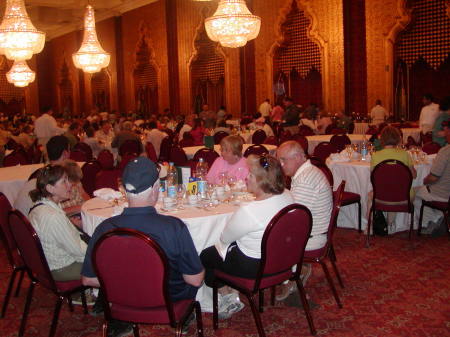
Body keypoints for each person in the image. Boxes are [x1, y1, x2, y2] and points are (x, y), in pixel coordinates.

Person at [81, 157, 204, 334]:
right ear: (155, 189)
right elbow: (195, 280)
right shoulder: (173, 227)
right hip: (168, 302)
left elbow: (89, 279)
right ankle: (183, 319)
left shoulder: (104, 229)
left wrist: (124, 285)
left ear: (123, 189)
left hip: (121, 302)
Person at [200, 155, 294, 318]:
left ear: (261, 181)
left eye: (250, 175)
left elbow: (224, 238)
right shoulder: (288, 195)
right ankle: (232, 291)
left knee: (206, 255)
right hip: (282, 259)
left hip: (255, 266)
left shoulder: (250, 210)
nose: (246, 177)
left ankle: (227, 297)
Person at [276, 141, 333, 300]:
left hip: (312, 238)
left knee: (263, 240)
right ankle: (296, 271)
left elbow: (294, 220)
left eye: (283, 160)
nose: (281, 165)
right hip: (313, 231)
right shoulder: (307, 172)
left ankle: (291, 276)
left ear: (299, 157)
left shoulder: (305, 180)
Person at [28, 164, 87, 281]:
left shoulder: (39, 205)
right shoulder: (53, 216)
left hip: (46, 263)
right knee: (110, 262)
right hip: (61, 268)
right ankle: (93, 295)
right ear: (50, 188)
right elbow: (80, 253)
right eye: (64, 181)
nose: (70, 184)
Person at [370, 126, 417, 231]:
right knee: (399, 188)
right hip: (404, 198)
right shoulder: (405, 154)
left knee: (370, 194)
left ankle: (370, 225)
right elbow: (414, 176)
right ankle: (391, 224)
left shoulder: (375, 156)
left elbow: (373, 178)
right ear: (398, 139)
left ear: (382, 139)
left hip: (380, 197)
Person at [14, 135, 71, 217]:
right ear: (65, 153)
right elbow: (57, 212)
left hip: (21, 221)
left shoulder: (41, 172)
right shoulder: (55, 179)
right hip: (32, 223)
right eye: (70, 150)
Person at [414, 119, 450, 236]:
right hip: (447, 192)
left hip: (442, 194)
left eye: (445, 130)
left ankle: (429, 223)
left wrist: (425, 181)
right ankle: (440, 217)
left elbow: (433, 178)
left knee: (413, 192)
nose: (444, 133)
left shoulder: (445, 152)